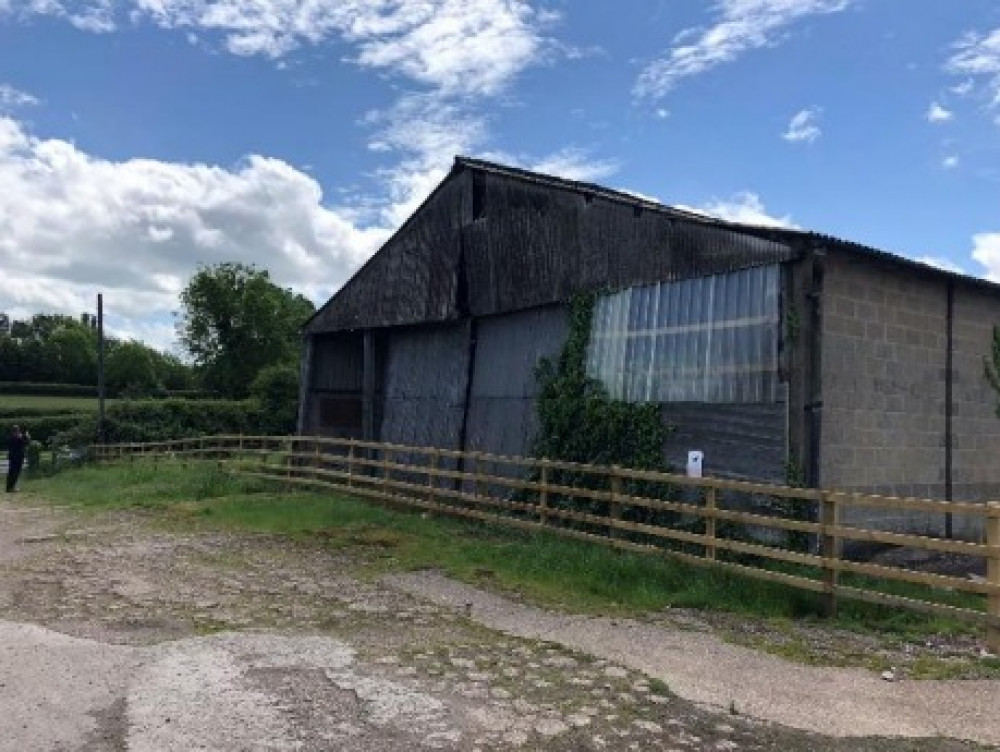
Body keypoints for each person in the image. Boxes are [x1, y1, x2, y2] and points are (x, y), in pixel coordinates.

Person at [6, 425, 29, 493]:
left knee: (12, 472)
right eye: (18, 430)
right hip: (17, 457)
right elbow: (25, 442)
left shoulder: (11, 437)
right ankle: (11, 488)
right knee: (15, 473)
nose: (19, 432)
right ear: (16, 431)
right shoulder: (16, 438)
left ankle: (9, 487)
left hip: (13, 457)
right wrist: (26, 436)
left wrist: (23, 436)